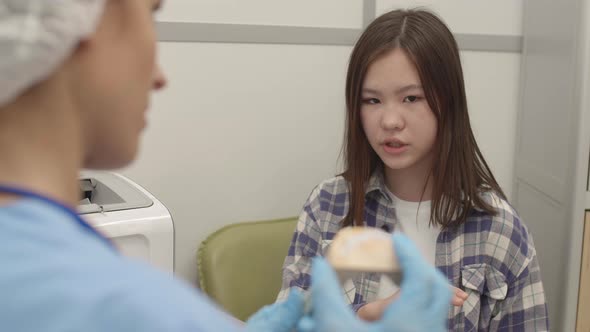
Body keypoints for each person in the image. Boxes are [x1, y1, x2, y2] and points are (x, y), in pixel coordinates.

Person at [0, 1, 453, 331]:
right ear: (85, 23)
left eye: (411, 97)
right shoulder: (136, 310)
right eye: (150, 13)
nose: (160, 74)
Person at [277, 8, 549, 331]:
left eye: (410, 98)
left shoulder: (500, 232)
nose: (390, 121)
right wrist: (365, 315)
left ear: (448, 102)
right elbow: (286, 324)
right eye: (372, 101)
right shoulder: (326, 207)